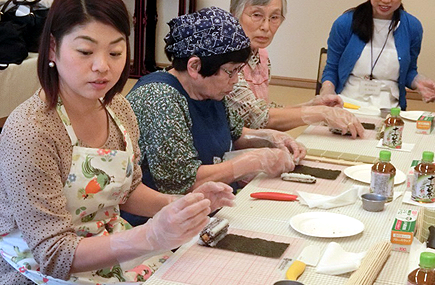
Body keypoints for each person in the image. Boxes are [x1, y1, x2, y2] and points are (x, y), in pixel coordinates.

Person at [0, 1, 236, 285]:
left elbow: (127, 191)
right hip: (34, 280)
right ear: (52, 49)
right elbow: (54, 255)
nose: (102, 67)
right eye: (85, 52)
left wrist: (181, 205)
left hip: (107, 249)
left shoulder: (119, 110)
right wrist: (150, 236)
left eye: (115, 52)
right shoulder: (31, 130)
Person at [125, 7, 305, 224]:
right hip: (166, 224)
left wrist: (270, 137)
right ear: (195, 66)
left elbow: (235, 133)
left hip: (212, 209)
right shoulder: (159, 97)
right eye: (232, 71)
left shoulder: (209, 89)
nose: (236, 79)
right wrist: (252, 161)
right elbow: (181, 182)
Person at [226, 0, 365, 139]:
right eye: (256, 15)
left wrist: (312, 105)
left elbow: (264, 109)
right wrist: (321, 113)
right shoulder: (226, 56)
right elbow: (257, 118)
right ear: (234, 15)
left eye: (274, 17)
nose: (266, 27)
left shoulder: (260, 55)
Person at [320, 0, 435, 112]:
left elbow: (408, 71)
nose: (386, 1)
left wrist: (419, 82)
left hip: (389, 108)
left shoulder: (412, 26)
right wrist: (327, 92)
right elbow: (331, 69)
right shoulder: (345, 22)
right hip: (346, 103)